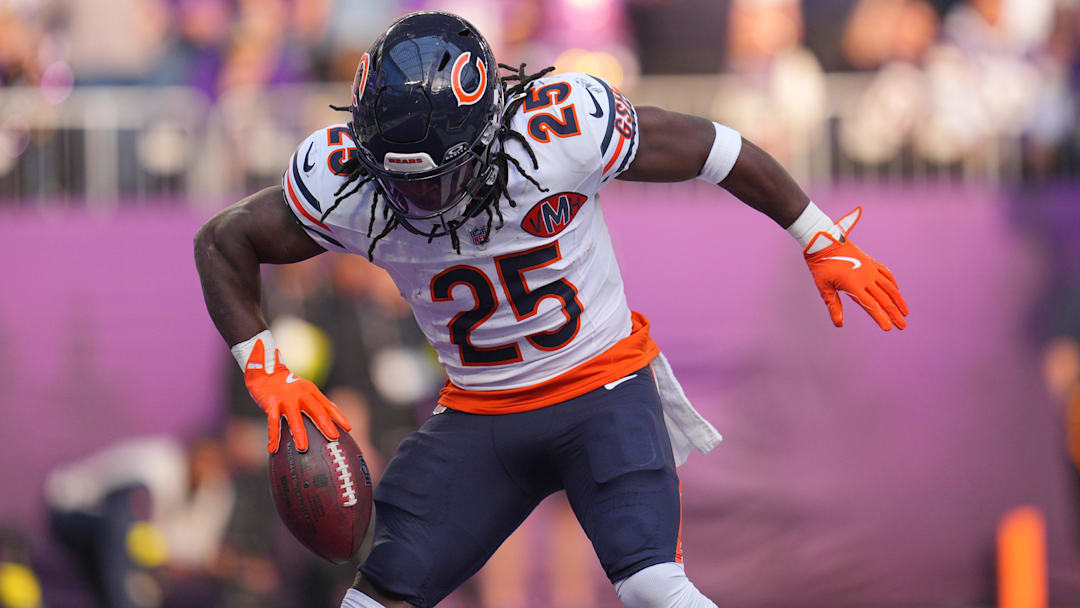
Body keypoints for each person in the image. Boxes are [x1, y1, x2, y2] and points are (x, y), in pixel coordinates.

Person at [193, 11, 909, 608]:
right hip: (479, 414)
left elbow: (711, 148)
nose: (422, 201)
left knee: (653, 587)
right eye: (401, 183)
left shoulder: (557, 131)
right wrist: (265, 371)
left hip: (603, 389)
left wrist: (816, 232)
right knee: (372, 600)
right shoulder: (346, 178)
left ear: (489, 126)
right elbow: (222, 241)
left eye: (440, 178)